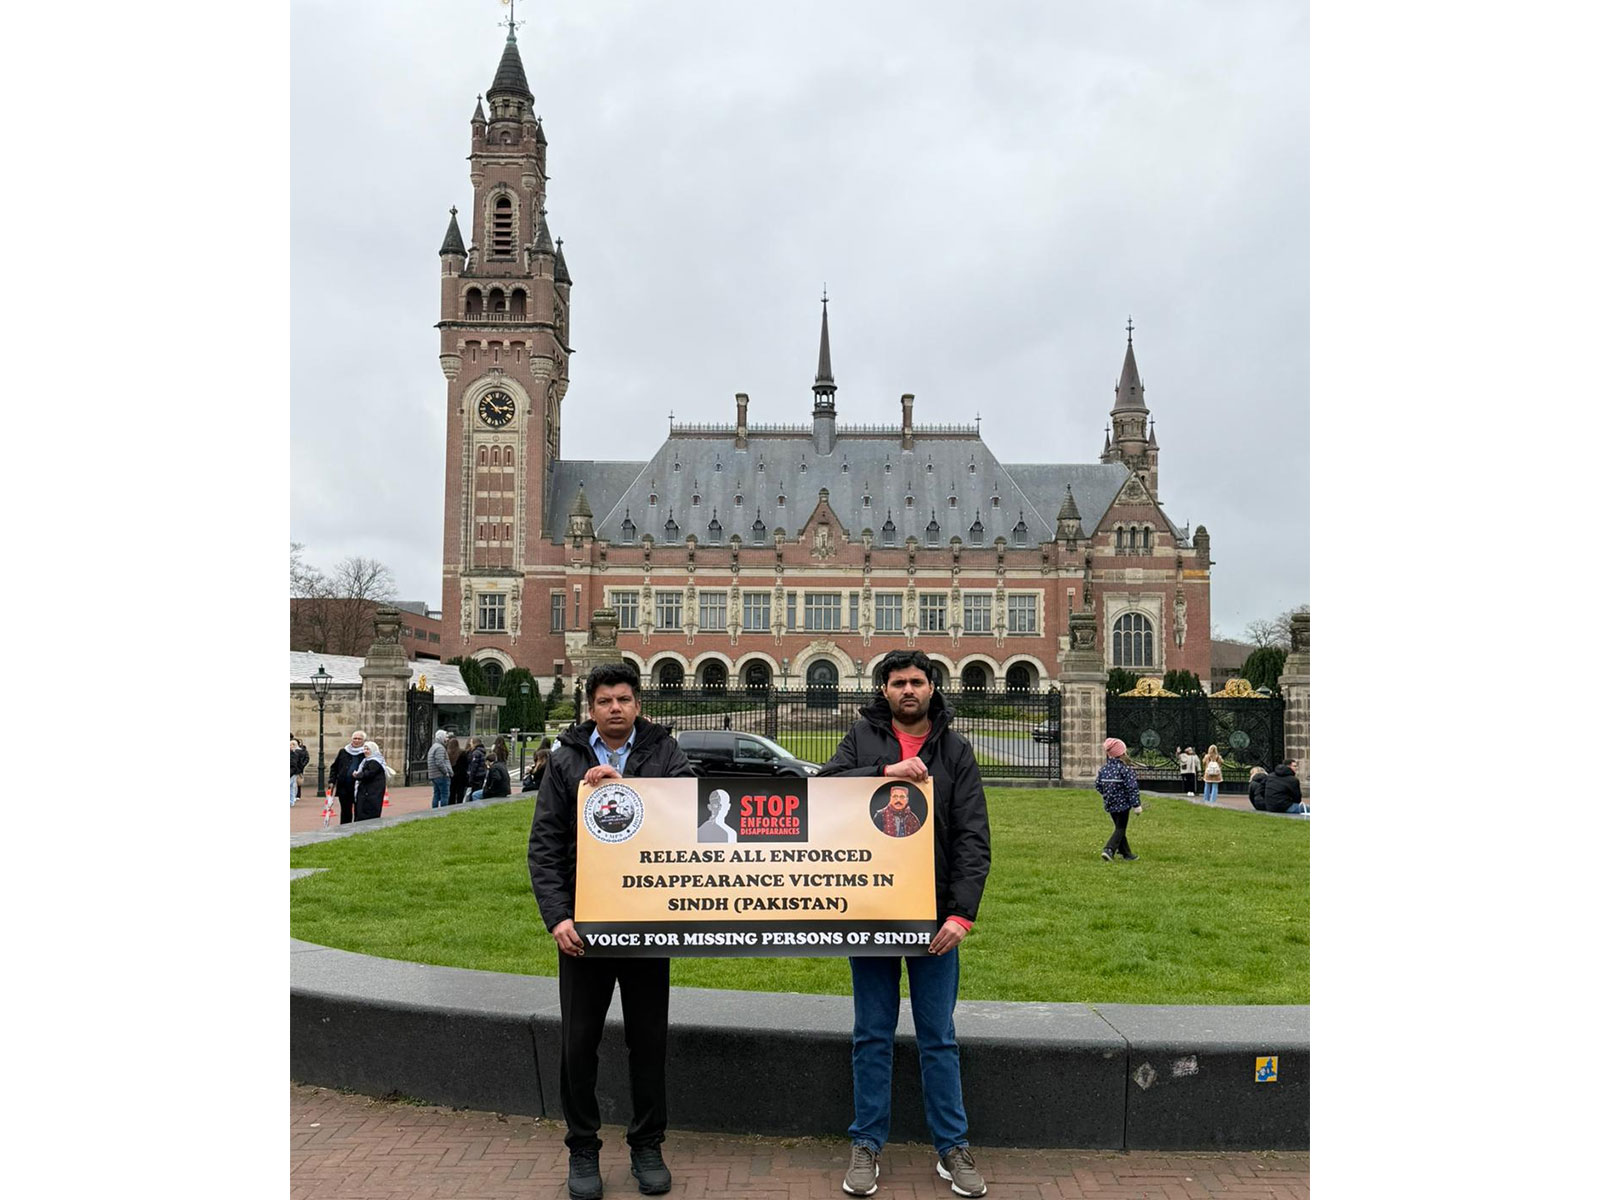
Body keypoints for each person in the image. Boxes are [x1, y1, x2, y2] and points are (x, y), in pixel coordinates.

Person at [818, 648, 991, 1199]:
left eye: (917, 681)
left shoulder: (955, 750)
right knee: (872, 1033)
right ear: (884, 690)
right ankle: (867, 1142)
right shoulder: (862, 739)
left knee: (938, 1036)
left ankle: (952, 1146)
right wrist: (884, 773)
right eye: (898, 683)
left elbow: (973, 837)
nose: (908, 690)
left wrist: (962, 914)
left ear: (932, 688)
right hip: (872, 914)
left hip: (935, 917)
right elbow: (824, 791)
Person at [528, 661, 694, 1200]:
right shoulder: (564, 760)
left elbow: (686, 813)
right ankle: (582, 1147)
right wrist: (558, 916)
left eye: (624, 699)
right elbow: (545, 844)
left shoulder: (665, 752)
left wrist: (630, 789)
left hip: (646, 922)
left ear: (638, 704)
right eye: (605, 701)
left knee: (649, 1041)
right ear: (592, 708)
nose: (615, 708)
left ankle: (647, 1143)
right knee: (579, 1043)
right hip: (585, 925)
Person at [1096, 738, 1141, 862]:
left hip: (1110, 803)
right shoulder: (1125, 770)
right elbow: (1132, 788)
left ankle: (1126, 853)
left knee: (1119, 828)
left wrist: (1107, 794)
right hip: (1123, 805)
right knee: (1121, 828)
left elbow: (1098, 785)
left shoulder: (1104, 769)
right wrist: (1136, 805)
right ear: (1122, 753)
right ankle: (1109, 849)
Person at [329, 729, 368, 825]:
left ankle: (357, 827)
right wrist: (332, 781)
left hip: (359, 787)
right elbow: (334, 767)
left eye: (359, 739)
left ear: (364, 741)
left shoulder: (366, 753)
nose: (356, 741)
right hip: (344, 786)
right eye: (355, 738)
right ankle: (345, 828)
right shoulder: (343, 751)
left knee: (359, 809)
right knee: (345, 810)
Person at [352, 739, 394, 822]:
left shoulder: (375, 762)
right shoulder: (367, 761)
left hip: (371, 793)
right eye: (364, 749)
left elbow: (368, 774)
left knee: (368, 814)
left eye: (368, 749)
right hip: (366, 791)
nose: (365, 751)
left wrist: (357, 775)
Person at [427, 730, 452, 809]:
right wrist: (446, 772)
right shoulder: (440, 748)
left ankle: (434, 811)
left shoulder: (434, 747)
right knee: (444, 795)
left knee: (436, 794)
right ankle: (443, 812)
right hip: (440, 775)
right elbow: (439, 762)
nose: (447, 739)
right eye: (446, 737)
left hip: (434, 775)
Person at [448, 735, 470, 805]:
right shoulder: (462, 753)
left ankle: (450, 805)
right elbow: (466, 764)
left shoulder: (447, 754)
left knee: (452, 792)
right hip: (461, 776)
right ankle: (459, 805)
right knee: (460, 793)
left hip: (452, 776)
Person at [290, 736, 310, 807]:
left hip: (294, 771)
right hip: (296, 770)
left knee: (294, 785)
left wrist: (301, 766)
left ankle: (293, 799)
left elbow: (295, 763)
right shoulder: (295, 752)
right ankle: (293, 799)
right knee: (293, 786)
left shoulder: (296, 753)